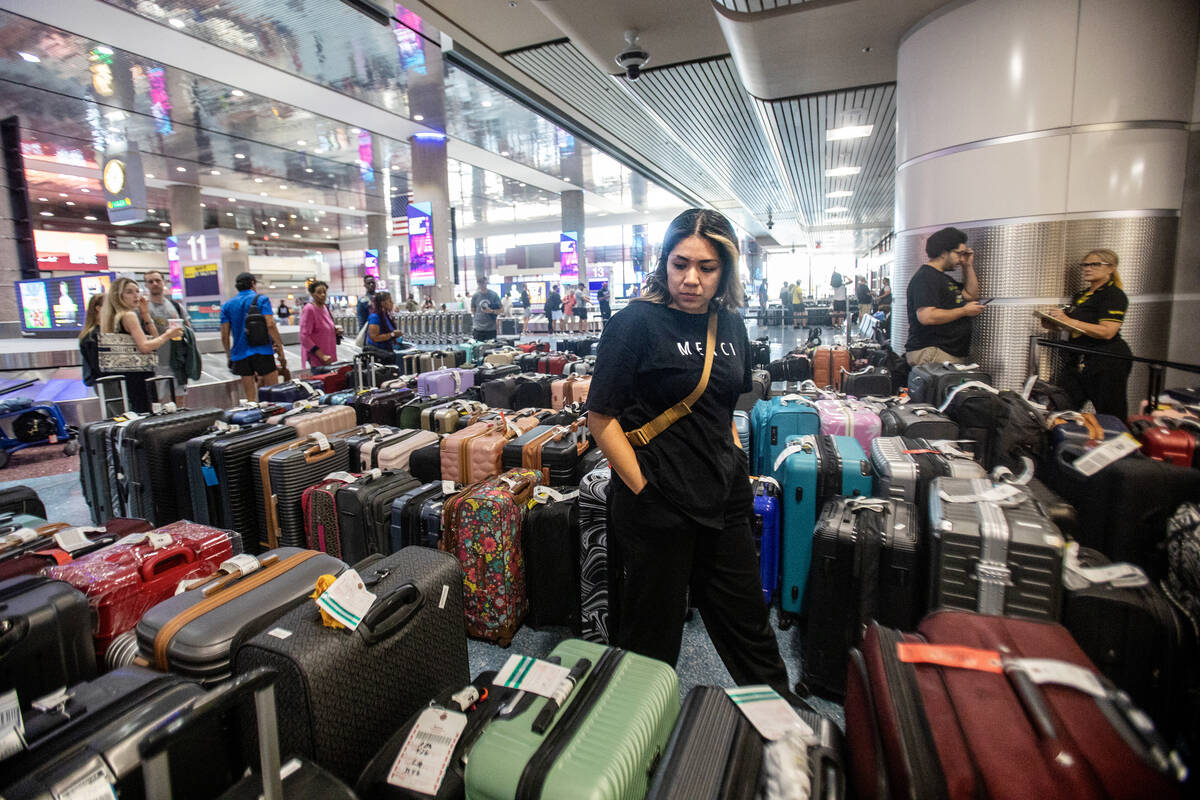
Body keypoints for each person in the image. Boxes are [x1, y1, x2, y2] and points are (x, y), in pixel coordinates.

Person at [586, 208, 793, 699]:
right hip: (658, 505)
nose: (691, 279)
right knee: (651, 640)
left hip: (724, 501)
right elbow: (601, 418)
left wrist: (738, 469)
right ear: (664, 263)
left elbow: (722, 412)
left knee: (749, 628)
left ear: (724, 271)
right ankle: (633, 746)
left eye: (706, 267)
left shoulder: (733, 328)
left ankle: (787, 727)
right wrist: (643, 489)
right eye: (680, 264)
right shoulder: (635, 324)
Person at [1045, 249, 1132, 416]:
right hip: (1079, 360)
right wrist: (1055, 323)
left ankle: (1116, 441)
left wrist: (1069, 321)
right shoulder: (1082, 295)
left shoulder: (1114, 295)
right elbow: (1076, 327)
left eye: (1095, 264)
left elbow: (1108, 331)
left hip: (1106, 360)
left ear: (1111, 268)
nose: (1088, 268)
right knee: (1062, 407)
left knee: (1110, 412)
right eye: (1085, 265)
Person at [904, 227, 984, 366]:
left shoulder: (943, 279)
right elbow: (926, 316)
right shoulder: (926, 277)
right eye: (958, 253)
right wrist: (964, 311)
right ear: (943, 252)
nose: (960, 258)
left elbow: (970, 294)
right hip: (934, 353)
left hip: (943, 353)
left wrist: (967, 265)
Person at [99, 278, 181, 412]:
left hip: (123, 375)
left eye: (137, 291)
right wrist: (168, 334)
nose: (136, 295)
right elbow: (145, 346)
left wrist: (145, 314)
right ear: (118, 295)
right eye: (129, 292)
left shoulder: (112, 317)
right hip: (138, 375)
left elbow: (153, 338)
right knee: (145, 412)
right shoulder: (129, 315)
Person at [220, 272, 286, 402]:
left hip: (240, 354)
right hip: (263, 351)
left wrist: (229, 355)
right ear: (252, 283)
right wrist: (280, 348)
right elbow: (270, 325)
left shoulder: (227, 306)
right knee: (273, 394)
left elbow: (224, 335)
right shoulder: (262, 300)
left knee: (250, 400)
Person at [143, 270, 193, 390]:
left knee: (180, 398)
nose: (155, 284)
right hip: (153, 363)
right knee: (155, 401)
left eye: (158, 280)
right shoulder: (142, 308)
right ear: (146, 285)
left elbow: (188, 329)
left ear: (164, 282)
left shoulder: (176, 307)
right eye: (151, 281)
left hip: (176, 361)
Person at [300, 280, 341, 369]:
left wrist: (335, 331)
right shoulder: (309, 309)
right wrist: (322, 355)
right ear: (312, 294)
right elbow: (304, 337)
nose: (322, 295)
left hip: (329, 356)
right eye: (319, 292)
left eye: (324, 292)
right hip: (318, 359)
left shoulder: (325, 308)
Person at [364, 291, 401, 364]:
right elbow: (374, 337)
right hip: (379, 356)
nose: (392, 302)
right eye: (389, 301)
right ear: (382, 303)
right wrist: (392, 334)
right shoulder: (375, 317)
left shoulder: (385, 316)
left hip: (386, 351)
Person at [78, 293, 104, 389]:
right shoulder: (92, 336)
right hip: (104, 383)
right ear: (98, 308)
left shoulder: (97, 332)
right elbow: (97, 367)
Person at [470, 277, 501, 342]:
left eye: (483, 282)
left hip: (491, 329)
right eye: (480, 283)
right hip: (478, 329)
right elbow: (473, 310)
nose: (482, 285)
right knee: (478, 349)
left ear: (486, 283)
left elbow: (501, 309)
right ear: (478, 284)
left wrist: (492, 311)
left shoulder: (493, 295)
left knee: (491, 349)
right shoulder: (475, 296)